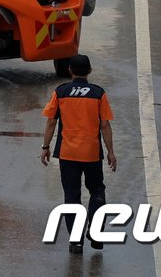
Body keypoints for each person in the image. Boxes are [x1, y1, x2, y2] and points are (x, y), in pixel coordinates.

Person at [40, 54, 117, 254]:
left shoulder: (61, 92)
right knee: (97, 190)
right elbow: (105, 125)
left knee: (72, 195)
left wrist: (45, 147)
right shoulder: (98, 94)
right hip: (91, 153)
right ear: (89, 70)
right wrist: (110, 152)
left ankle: (76, 242)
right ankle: (96, 232)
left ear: (69, 70)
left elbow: (51, 122)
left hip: (67, 154)